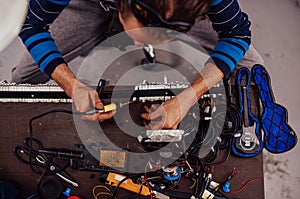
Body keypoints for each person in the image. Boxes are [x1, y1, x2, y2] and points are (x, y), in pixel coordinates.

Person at [12, 0, 263, 129]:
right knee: (21, 82)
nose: (135, 46)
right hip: (91, 4)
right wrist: (71, 84)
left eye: (167, 36)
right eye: (135, 36)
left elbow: (237, 34)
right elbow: (29, 23)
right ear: (122, 9)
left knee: (253, 67)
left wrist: (187, 98)